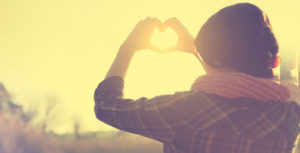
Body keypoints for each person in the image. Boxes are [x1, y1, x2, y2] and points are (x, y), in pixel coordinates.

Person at [94, 3, 300, 153]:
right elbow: (236, 86)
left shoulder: (186, 110)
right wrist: (200, 52)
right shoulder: (289, 116)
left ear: (216, 59)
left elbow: (106, 106)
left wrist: (128, 48)